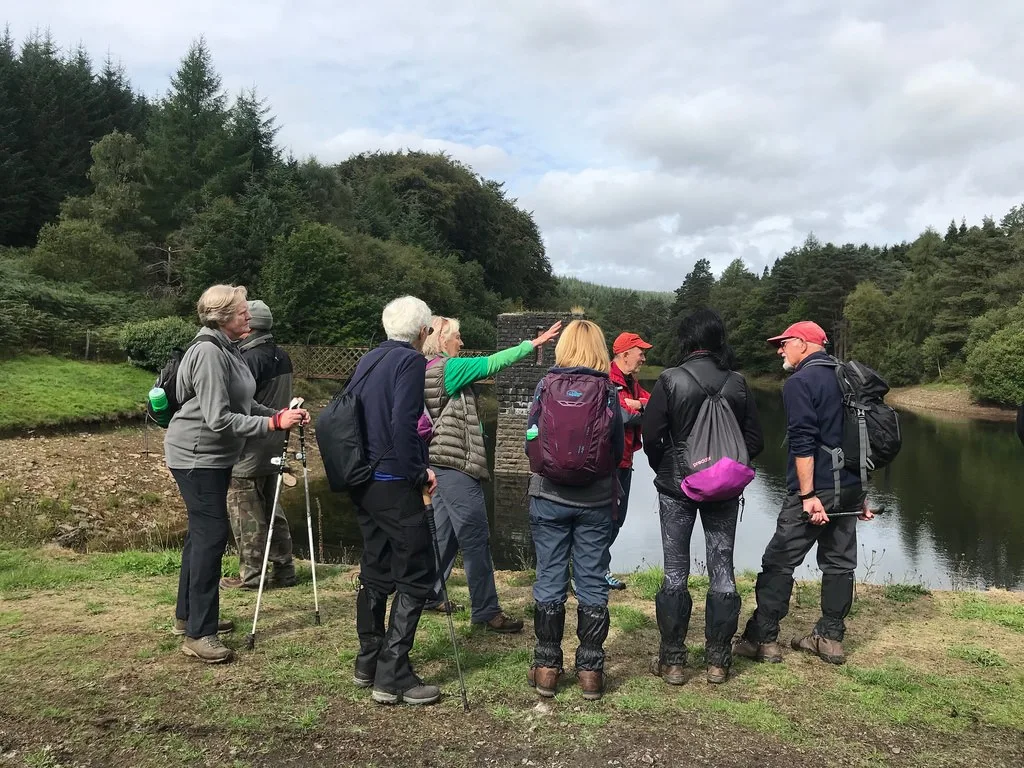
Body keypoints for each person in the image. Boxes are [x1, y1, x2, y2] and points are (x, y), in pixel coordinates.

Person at [165, 285, 309, 664]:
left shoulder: (227, 348)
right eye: (244, 312)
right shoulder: (210, 352)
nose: (250, 317)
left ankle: (187, 617)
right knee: (211, 535)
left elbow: (245, 402)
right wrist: (272, 423)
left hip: (212, 457)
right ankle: (200, 633)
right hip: (196, 456)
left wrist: (280, 416)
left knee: (201, 536)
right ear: (223, 316)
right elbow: (218, 418)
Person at [734, 321, 873, 667]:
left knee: (779, 560)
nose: (780, 350)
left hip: (816, 490)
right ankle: (830, 638)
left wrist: (807, 494)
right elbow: (864, 437)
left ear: (803, 343)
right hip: (852, 486)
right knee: (840, 562)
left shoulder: (800, 382)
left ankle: (762, 639)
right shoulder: (850, 376)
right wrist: (862, 492)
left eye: (784, 343)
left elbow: (802, 440)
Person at [641, 309, 764, 684]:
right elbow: (755, 440)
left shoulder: (670, 380)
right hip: (723, 493)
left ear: (687, 340)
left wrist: (669, 466)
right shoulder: (738, 383)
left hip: (676, 489)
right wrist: (726, 470)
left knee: (676, 572)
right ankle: (717, 662)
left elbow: (651, 436)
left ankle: (674, 662)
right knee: (723, 571)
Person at [421, 316, 561, 632]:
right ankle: (486, 610)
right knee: (475, 536)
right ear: (443, 340)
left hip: (438, 459)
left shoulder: (424, 368)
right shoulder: (449, 368)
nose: (462, 343)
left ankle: (430, 594)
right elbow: (492, 363)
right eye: (458, 337)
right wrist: (532, 344)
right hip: (456, 463)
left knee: (445, 534)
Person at [348, 295, 442, 706]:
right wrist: (419, 473)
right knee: (416, 573)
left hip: (363, 481)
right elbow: (404, 423)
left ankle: (368, 659)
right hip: (393, 481)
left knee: (376, 566)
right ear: (423, 332)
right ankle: (394, 674)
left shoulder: (369, 359)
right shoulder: (410, 362)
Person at [526, 319, 624, 701]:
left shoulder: (545, 384)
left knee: (550, 576)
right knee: (592, 580)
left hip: (548, 496)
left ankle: (547, 668)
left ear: (563, 346)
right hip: (596, 500)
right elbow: (616, 448)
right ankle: (591, 671)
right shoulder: (608, 389)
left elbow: (530, 437)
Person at [221, 300, 297, 591]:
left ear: (249, 324)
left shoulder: (246, 359)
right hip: (276, 441)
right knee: (271, 508)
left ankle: (251, 576)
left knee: (246, 512)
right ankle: (284, 568)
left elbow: (239, 405)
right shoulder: (281, 355)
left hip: (250, 446)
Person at [605, 332, 653, 590]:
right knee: (607, 519)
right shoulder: (607, 378)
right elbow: (621, 415)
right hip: (609, 463)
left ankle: (594, 569)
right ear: (624, 354)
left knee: (617, 519)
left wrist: (639, 403)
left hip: (625, 462)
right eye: (640, 352)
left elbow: (655, 403)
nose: (644, 357)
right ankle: (594, 571)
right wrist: (639, 407)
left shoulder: (631, 381)